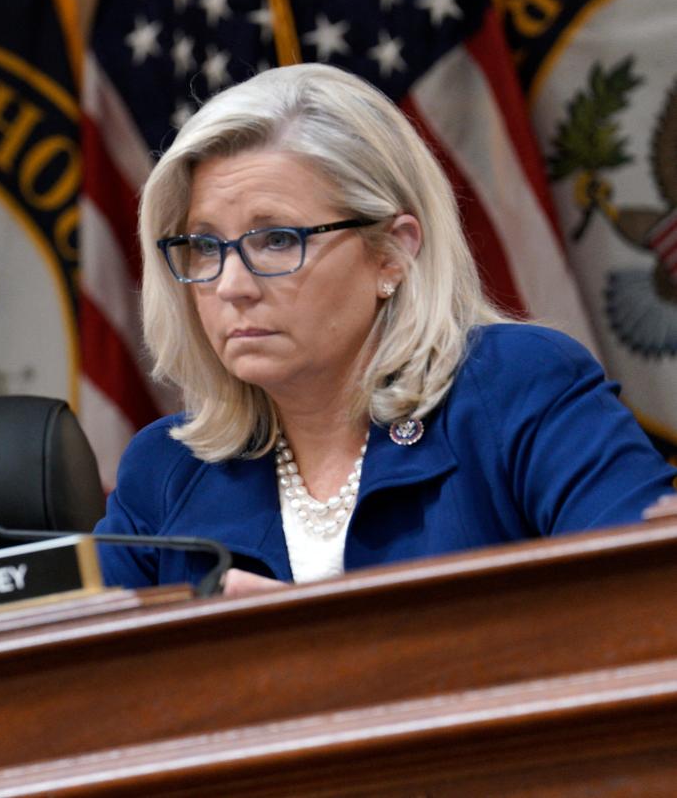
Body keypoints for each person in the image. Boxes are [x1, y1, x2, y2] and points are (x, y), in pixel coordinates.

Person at [96, 63, 674, 596]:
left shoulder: (516, 389)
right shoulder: (166, 472)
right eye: (203, 247)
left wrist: (325, 642)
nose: (230, 285)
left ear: (392, 254)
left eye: (276, 240)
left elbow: (644, 602)